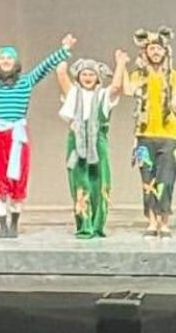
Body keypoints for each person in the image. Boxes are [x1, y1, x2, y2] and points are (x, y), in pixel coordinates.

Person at [0, 23, 75, 238]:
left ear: (15, 62)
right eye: (2, 58)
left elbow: (45, 66)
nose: (6, 61)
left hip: (18, 136)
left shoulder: (26, 82)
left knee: (18, 178)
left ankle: (14, 224)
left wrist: (64, 49)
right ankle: (2, 225)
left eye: (9, 58)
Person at [123, 28, 176, 238]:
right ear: (145, 52)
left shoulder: (175, 77)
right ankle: (152, 221)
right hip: (144, 135)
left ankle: (164, 221)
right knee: (147, 179)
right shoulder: (138, 75)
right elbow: (127, 90)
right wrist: (121, 65)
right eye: (151, 48)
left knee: (166, 179)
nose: (155, 52)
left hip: (168, 136)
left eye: (159, 49)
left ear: (165, 52)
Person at [55, 50, 129, 238]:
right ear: (78, 77)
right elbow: (61, 73)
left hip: (98, 141)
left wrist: (120, 63)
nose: (88, 77)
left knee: (100, 181)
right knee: (80, 182)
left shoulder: (104, 95)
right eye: (84, 74)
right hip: (76, 142)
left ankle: (97, 224)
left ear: (97, 77)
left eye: (91, 74)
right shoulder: (73, 93)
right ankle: (84, 225)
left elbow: (116, 86)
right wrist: (64, 51)